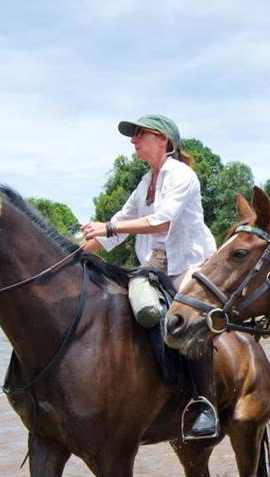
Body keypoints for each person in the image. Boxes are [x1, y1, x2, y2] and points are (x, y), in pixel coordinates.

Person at [81, 114, 222, 439]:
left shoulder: (182, 175)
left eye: (140, 134)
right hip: (154, 266)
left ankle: (205, 404)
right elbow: (116, 230)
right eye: (134, 136)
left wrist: (108, 227)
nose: (133, 141)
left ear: (163, 140)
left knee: (192, 317)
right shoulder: (145, 182)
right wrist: (75, 253)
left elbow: (161, 221)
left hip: (190, 264)